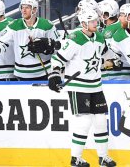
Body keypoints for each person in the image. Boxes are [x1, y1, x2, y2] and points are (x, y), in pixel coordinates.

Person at [48, 9, 116, 167]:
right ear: (84, 23)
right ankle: (76, 158)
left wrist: (113, 61)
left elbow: (106, 54)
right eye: (92, 22)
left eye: (96, 21)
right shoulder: (75, 38)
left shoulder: (99, 37)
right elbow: (58, 58)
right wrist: (55, 75)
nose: (96, 24)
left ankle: (103, 157)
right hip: (78, 86)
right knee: (84, 122)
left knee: (100, 121)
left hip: (96, 85)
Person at [0, 0, 60, 80]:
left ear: (34, 10)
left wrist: (49, 46)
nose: (23, 10)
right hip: (21, 74)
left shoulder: (47, 25)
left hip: (44, 72)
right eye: (22, 7)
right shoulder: (14, 25)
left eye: (27, 7)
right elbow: (3, 42)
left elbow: (59, 46)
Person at [98, 0, 130, 80]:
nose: (98, 16)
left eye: (100, 13)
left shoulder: (114, 28)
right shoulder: (107, 28)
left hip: (118, 74)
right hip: (116, 71)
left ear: (106, 14)